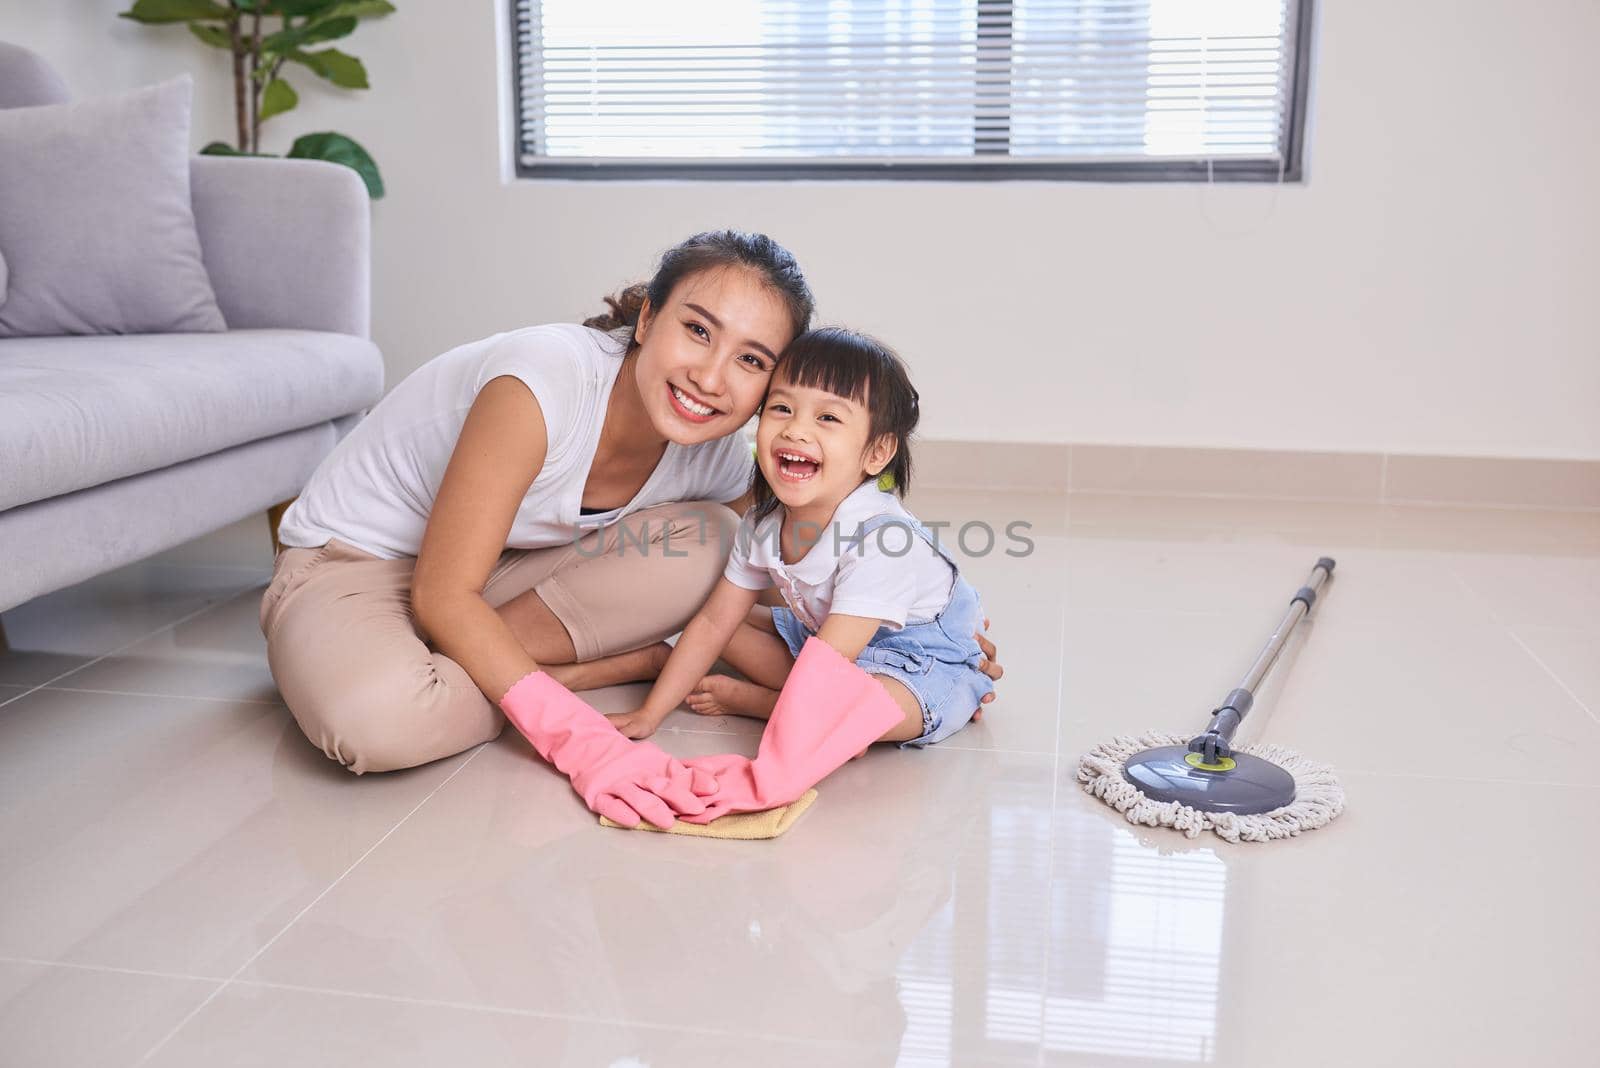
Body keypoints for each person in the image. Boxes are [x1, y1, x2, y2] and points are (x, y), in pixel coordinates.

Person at [258, 231, 1006, 794]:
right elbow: (439, 593)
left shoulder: (716, 446)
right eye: (697, 330)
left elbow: (803, 554)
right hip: (358, 566)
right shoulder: (541, 382)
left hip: (505, 575)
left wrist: (928, 636)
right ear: (648, 318)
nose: (711, 378)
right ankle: (551, 672)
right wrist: (576, 738)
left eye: (750, 361)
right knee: (378, 724)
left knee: (718, 537)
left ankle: (479, 662)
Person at [607, 328, 1000, 751]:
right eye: (781, 408)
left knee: (869, 710)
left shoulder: (880, 541)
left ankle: (768, 705)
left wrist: (781, 757)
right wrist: (650, 715)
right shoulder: (763, 523)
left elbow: (826, 668)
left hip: (921, 660)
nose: (796, 430)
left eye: (827, 418)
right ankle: (818, 716)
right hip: (828, 641)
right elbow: (713, 622)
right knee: (708, 620)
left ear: (876, 453)